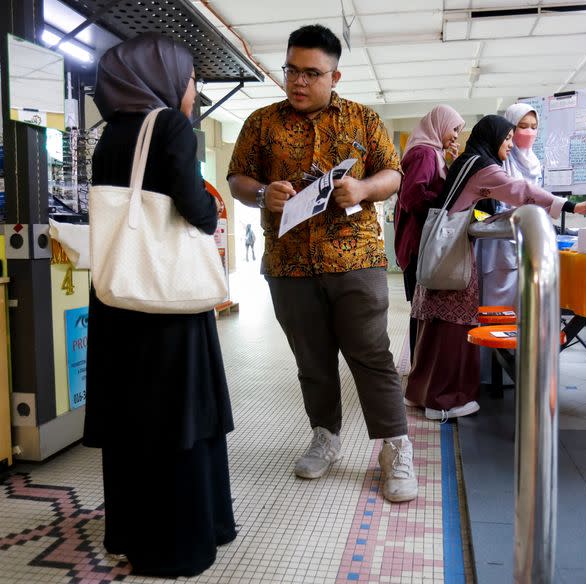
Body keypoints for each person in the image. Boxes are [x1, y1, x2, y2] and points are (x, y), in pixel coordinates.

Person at [227, 25, 417, 503]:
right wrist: (259, 193)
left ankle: (395, 448)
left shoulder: (363, 119)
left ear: (335, 75)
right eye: (292, 69)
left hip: (355, 258)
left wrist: (365, 188)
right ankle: (326, 437)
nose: (298, 81)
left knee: (371, 356)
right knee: (311, 360)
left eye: (312, 73)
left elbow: (392, 173)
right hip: (289, 265)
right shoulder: (261, 123)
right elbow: (237, 178)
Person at [84, 33, 235, 577]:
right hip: (167, 305)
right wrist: (210, 212)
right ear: (164, 78)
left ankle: (131, 533)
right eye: (190, 77)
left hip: (120, 297)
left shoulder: (109, 135)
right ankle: (184, 540)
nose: (192, 88)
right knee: (178, 415)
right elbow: (196, 208)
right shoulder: (169, 126)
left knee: (132, 419)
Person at [406, 115, 586, 421]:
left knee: (434, 329)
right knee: (455, 331)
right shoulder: (483, 168)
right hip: (454, 259)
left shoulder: (465, 161)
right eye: (509, 137)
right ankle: (445, 401)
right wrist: (570, 206)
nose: (511, 145)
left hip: (438, 253)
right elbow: (521, 191)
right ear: (494, 137)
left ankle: (422, 395)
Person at [394, 105, 465, 369]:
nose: (456, 136)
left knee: (421, 308)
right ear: (439, 125)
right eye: (454, 129)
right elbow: (412, 196)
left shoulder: (432, 153)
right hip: (418, 244)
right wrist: (445, 205)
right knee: (420, 309)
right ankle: (419, 368)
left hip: (419, 242)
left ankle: (419, 366)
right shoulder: (424, 153)